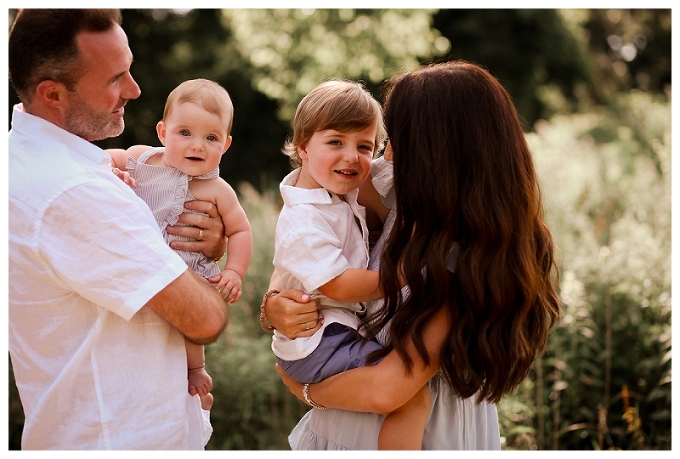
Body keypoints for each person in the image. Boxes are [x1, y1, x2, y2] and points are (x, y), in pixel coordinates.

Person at [263, 60, 561, 449]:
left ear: (433, 150)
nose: (383, 156)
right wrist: (273, 305)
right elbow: (304, 242)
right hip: (345, 431)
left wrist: (302, 387)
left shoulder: (468, 259)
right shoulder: (403, 201)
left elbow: (386, 391)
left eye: (393, 140)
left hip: (426, 437)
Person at [8, 9, 230, 449]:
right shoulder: (74, 192)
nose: (134, 89)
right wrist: (203, 260)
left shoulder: (27, 161)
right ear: (52, 93)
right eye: (115, 78)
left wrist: (208, 240)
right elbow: (205, 319)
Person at [269, 79, 430, 450]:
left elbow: (386, 194)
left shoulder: (338, 190)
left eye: (365, 146)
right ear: (302, 146)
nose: (352, 157)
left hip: (332, 333)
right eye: (336, 142)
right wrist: (398, 275)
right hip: (321, 341)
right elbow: (338, 285)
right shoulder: (304, 219)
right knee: (413, 398)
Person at [107, 78, 253, 409]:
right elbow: (100, 158)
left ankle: (196, 370)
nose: (197, 145)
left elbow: (241, 231)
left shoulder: (217, 189)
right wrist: (111, 172)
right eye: (184, 133)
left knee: (190, 322)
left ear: (226, 145)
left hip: (189, 271)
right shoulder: (140, 159)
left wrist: (234, 271)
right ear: (163, 132)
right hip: (144, 271)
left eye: (211, 137)